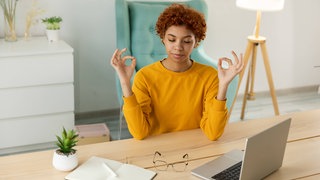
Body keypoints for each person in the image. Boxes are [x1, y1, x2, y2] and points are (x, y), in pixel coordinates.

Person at [110, 3, 244, 140]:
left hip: (195, 148)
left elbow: (213, 133)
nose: (178, 47)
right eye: (172, 39)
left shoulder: (209, 76)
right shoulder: (144, 77)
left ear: (196, 42)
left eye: (186, 41)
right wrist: (125, 82)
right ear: (163, 39)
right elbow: (139, 133)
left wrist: (223, 87)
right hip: (157, 150)